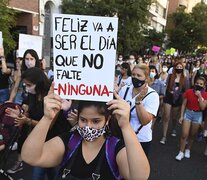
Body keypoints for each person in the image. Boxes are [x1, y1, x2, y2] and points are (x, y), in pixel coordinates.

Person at [21, 84, 150, 180]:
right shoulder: (69, 141)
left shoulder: (115, 148)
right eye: (83, 120)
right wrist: (47, 118)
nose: (88, 126)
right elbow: (30, 157)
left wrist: (126, 126)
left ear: (107, 120)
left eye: (96, 121)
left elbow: (139, 176)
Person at [119, 63, 160, 156]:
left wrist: (138, 101)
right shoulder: (124, 89)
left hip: (140, 139)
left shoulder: (153, 95)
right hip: (122, 136)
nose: (135, 77)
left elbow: (144, 121)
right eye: (133, 75)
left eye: (139, 75)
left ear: (146, 78)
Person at [175, 76, 207, 161]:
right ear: (194, 83)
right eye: (197, 83)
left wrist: (200, 96)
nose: (198, 85)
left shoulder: (205, 94)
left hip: (198, 115)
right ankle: (181, 152)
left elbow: (203, 107)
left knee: (192, 134)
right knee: (184, 134)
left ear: (204, 86)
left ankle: (188, 149)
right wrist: (181, 116)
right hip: (188, 113)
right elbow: (184, 104)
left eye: (201, 84)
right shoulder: (189, 92)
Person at [160, 62, 190, 144]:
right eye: (177, 66)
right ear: (175, 67)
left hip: (178, 98)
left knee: (174, 116)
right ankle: (164, 136)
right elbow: (166, 86)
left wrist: (181, 96)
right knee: (166, 116)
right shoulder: (170, 76)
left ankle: (173, 128)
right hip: (169, 97)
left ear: (183, 68)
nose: (179, 68)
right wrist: (165, 95)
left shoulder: (185, 78)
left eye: (181, 67)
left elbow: (186, 90)